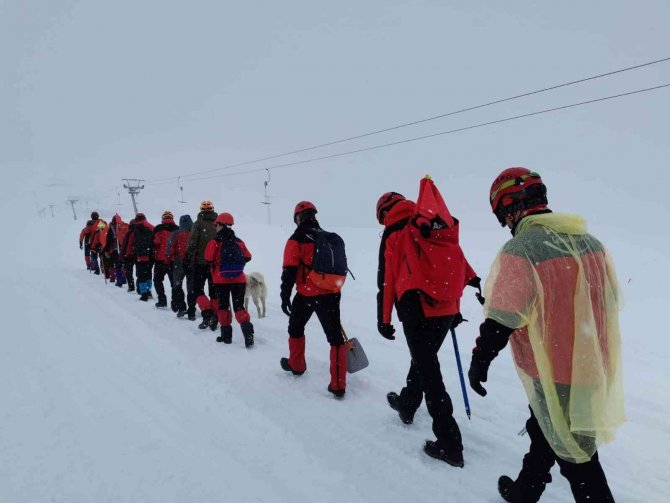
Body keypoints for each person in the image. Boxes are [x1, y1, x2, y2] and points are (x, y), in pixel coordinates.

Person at [468, 167, 623, 502]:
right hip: (594, 363)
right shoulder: (590, 241)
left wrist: (479, 360)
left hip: (555, 369)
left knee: (578, 460)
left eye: (503, 215)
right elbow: (609, 300)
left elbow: (501, 319)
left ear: (509, 209)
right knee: (546, 428)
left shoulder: (523, 249)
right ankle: (526, 490)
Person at [376, 178, 477, 468]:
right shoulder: (433, 223)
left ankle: (450, 445)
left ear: (384, 213)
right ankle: (408, 405)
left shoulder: (395, 231)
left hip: (415, 307)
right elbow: (456, 261)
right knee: (424, 360)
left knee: (430, 373)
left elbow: (387, 281)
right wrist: (455, 308)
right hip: (445, 307)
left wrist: (384, 319)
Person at [279, 201, 348, 398]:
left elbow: (289, 270)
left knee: (295, 328)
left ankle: (297, 365)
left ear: (298, 217)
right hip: (331, 292)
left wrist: (285, 295)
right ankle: (338, 384)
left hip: (307, 294)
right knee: (335, 338)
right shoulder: (326, 236)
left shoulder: (296, 238)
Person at [204, 212, 255, 347]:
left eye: (217, 225)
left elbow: (208, 258)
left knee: (223, 307)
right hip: (239, 279)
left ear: (221, 225)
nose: (215, 228)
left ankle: (226, 336)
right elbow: (248, 256)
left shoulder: (214, 242)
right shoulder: (238, 241)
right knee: (239, 306)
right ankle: (247, 330)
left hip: (221, 281)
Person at [187, 200, 219, 330]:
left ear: (201, 210)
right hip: (215, 264)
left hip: (200, 263)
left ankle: (207, 313)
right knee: (214, 292)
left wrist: (189, 257)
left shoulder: (197, 224)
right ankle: (216, 316)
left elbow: (192, 243)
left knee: (197, 289)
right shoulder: (218, 223)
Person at [167, 214, 196, 320]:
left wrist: (169, 259)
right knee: (191, 288)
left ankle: (181, 307)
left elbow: (170, 250)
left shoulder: (175, 234)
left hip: (179, 263)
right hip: (193, 263)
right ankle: (192, 311)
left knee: (177, 285)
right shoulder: (195, 233)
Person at [125, 213, 155, 301]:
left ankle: (144, 294)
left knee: (141, 275)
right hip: (150, 256)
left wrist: (128, 254)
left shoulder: (135, 229)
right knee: (148, 274)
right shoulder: (152, 227)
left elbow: (130, 244)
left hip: (140, 256)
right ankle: (149, 291)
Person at [152, 210, 179, 309]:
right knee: (174, 283)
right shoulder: (177, 229)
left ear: (163, 219)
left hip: (160, 259)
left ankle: (162, 300)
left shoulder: (158, 228)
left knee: (157, 280)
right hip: (173, 260)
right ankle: (175, 302)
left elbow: (155, 242)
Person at [103, 214, 129, 288]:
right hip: (124, 249)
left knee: (117, 265)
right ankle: (124, 279)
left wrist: (106, 250)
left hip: (115, 249)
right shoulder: (125, 226)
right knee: (123, 265)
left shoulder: (110, 228)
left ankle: (119, 281)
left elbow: (108, 240)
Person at [121, 218, 137, 292]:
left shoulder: (128, 234)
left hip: (129, 255)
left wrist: (122, 255)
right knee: (140, 273)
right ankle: (140, 288)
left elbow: (124, 245)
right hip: (138, 255)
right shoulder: (140, 232)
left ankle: (131, 286)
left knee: (129, 272)